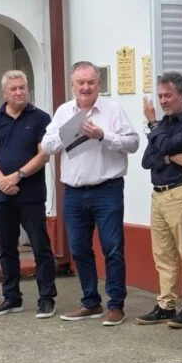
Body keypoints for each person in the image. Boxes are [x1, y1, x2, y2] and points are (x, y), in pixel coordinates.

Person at [42, 61, 139, 326]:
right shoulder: (64, 111)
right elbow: (46, 145)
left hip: (106, 190)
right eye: (80, 83)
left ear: (99, 84)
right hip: (73, 193)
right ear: (72, 85)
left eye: (91, 82)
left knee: (113, 247)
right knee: (79, 249)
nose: (86, 87)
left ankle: (116, 305)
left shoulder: (113, 110)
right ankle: (90, 302)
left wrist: (102, 135)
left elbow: (133, 143)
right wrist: (69, 133)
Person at [0, 70, 56, 319]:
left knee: (40, 246)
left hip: (30, 193)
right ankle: (12, 297)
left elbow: (43, 154)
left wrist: (17, 176)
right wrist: (2, 180)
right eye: (13, 89)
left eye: (23, 87)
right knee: (7, 248)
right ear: (4, 93)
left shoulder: (41, 118)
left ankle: (46, 298)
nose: (19, 92)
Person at [138, 72, 182, 329]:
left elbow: (166, 145)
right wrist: (171, 157)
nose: (163, 101)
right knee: (162, 253)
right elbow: (147, 160)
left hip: (181, 192)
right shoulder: (162, 125)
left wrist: (154, 128)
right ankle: (166, 304)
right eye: (160, 96)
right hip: (159, 193)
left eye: (168, 95)